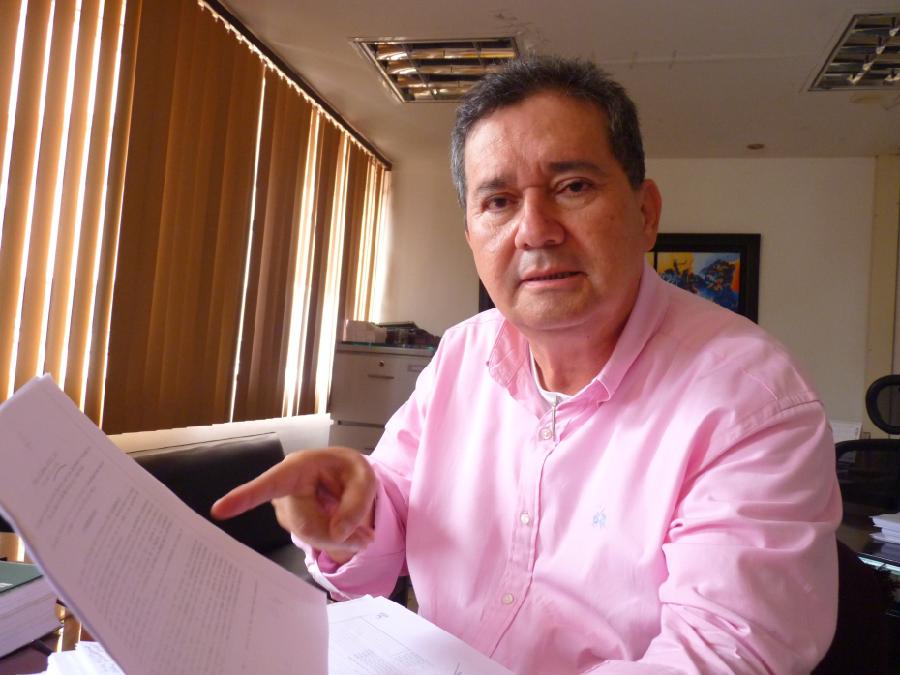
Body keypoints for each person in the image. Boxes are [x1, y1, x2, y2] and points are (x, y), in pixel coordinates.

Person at [213, 56, 841, 674]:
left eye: (574, 187)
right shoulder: (462, 354)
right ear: (471, 237)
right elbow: (395, 509)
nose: (535, 231)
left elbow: (723, 654)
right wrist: (350, 513)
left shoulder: (752, 398)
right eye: (499, 201)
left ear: (645, 212)